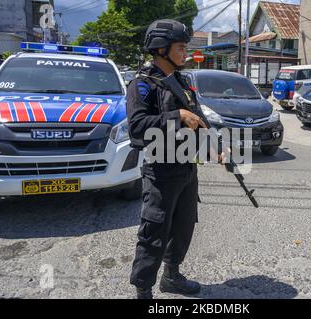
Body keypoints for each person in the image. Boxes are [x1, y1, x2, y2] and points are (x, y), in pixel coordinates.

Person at [126, 19, 224, 299]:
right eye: (181, 48)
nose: (186, 53)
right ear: (161, 48)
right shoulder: (143, 85)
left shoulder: (181, 82)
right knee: (154, 231)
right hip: (160, 171)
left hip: (186, 168)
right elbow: (137, 127)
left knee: (183, 226)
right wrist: (177, 116)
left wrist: (215, 146)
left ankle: (172, 276)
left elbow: (200, 120)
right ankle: (143, 289)